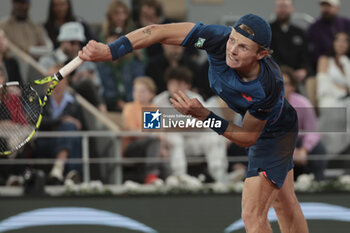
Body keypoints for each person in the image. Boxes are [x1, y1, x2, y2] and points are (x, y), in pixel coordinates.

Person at [79, 13, 308, 232]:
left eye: (243, 47)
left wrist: (205, 116)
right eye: (232, 41)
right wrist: (111, 50)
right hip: (264, 123)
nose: (232, 50)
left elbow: (247, 138)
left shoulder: (268, 85)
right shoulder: (217, 38)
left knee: (252, 215)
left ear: (261, 54)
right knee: (284, 203)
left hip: (273, 133)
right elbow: (158, 32)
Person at [153, 66, 228, 182]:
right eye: (173, 83)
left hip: (195, 141)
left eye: (180, 83)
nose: (176, 87)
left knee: (214, 139)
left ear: (187, 85)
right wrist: (182, 126)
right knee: (175, 139)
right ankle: (180, 179)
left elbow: (204, 122)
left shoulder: (195, 98)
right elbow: (152, 126)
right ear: (168, 84)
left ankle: (220, 178)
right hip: (171, 143)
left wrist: (174, 126)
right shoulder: (158, 101)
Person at [32, 65, 85, 184]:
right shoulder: (39, 100)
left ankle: (59, 168)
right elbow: (36, 122)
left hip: (69, 141)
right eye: (52, 79)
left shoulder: (74, 103)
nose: (56, 83)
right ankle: (72, 174)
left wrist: (75, 124)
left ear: (66, 81)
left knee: (71, 128)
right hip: (46, 141)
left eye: (60, 79)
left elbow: (83, 127)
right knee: (69, 127)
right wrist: (61, 120)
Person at [39, 22, 106, 111]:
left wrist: (88, 78)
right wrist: (70, 80)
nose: (76, 47)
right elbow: (42, 85)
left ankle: (103, 112)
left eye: (78, 43)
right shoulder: (47, 61)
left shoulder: (86, 63)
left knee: (86, 83)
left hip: (80, 100)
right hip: (56, 97)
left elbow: (98, 88)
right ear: (62, 41)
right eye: (72, 42)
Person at [281, 66, 327, 181]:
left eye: (285, 84)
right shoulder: (266, 105)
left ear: (293, 86)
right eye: (278, 83)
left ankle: (318, 184)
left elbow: (313, 131)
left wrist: (304, 150)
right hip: (276, 144)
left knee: (318, 148)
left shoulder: (303, 103)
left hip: (299, 142)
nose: (281, 87)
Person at [122, 77, 169, 183]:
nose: (138, 94)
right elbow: (132, 132)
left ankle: (171, 182)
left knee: (162, 154)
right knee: (154, 142)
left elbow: (158, 133)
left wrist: (162, 148)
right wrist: (150, 135)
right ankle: (151, 176)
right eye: (136, 90)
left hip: (150, 146)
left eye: (142, 91)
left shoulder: (152, 108)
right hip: (132, 147)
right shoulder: (130, 107)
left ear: (151, 94)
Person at [316, 32, 350, 155]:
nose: (341, 44)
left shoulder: (346, 61)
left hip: (346, 100)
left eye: (345, 41)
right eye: (338, 40)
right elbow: (324, 85)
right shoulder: (324, 60)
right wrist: (343, 90)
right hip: (329, 99)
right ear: (333, 43)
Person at [270, 0, 312, 82]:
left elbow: (306, 56)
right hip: (275, 72)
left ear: (292, 9)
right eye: (280, 6)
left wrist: (304, 69)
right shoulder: (268, 30)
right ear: (275, 9)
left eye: (285, 7)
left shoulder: (300, 32)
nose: (283, 10)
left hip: (297, 75)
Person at [307, 0, 350, 68]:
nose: (326, 9)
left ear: (337, 8)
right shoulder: (314, 27)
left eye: (329, 6)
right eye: (323, 6)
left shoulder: (346, 23)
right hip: (323, 64)